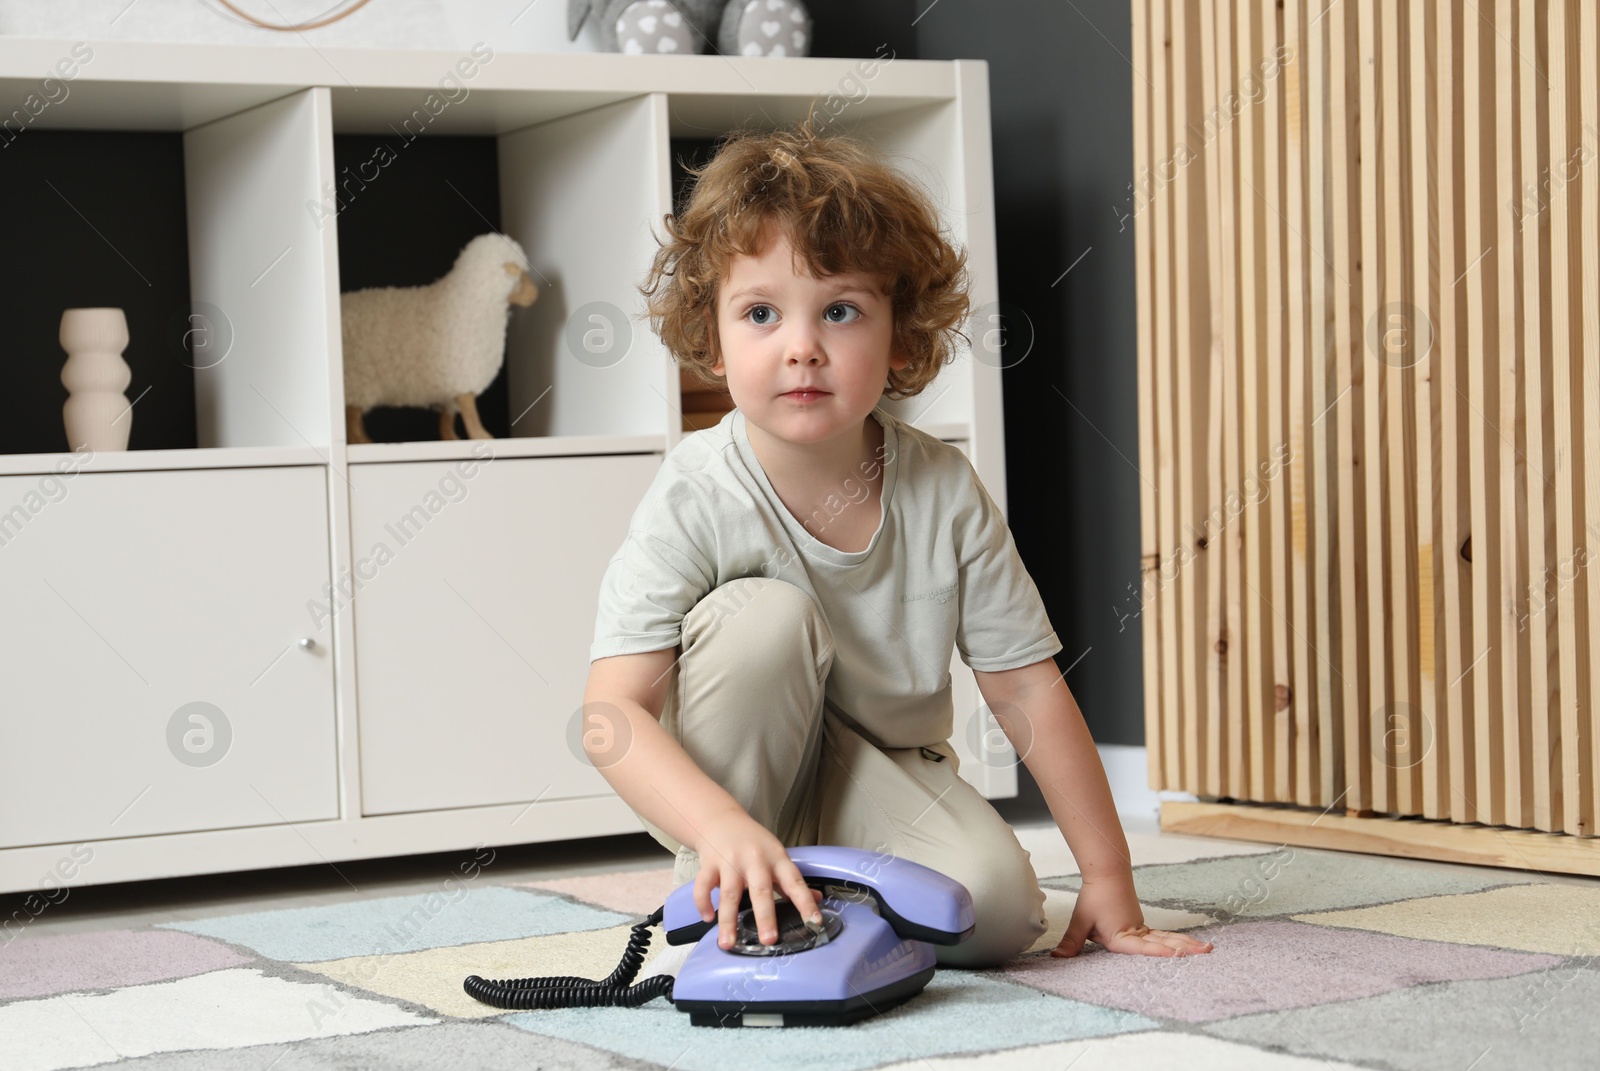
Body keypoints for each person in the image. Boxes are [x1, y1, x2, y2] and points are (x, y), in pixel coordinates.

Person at [583, 117, 1213, 969]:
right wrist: (720, 821)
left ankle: (809, 883)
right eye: (761, 313)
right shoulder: (696, 490)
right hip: (734, 769)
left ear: (901, 335)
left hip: (880, 771)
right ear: (712, 335)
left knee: (994, 917)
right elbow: (611, 713)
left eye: (840, 311)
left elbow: (1025, 687)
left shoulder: (944, 490)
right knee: (764, 619)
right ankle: (732, 867)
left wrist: (1109, 874)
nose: (802, 346)